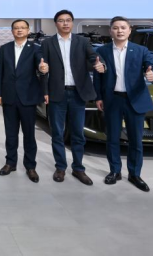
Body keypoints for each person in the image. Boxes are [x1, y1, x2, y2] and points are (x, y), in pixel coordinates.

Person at [94, 16, 153, 193]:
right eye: (116, 28)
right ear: (110, 31)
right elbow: (98, 77)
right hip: (112, 100)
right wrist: (98, 97)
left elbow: (152, 66)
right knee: (112, 138)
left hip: (135, 100)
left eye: (123, 27)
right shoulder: (102, 51)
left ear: (129, 30)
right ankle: (115, 171)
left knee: (136, 140)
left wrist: (152, 74)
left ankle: (134, 174)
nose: (120, 31)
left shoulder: (141, 50)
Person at [41, 10, 106, 186]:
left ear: (72, 22)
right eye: (61, 20)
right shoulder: (47, 43)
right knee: (57, 133)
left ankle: (78, 168)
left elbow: (94, 57)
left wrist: (100, 64)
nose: (65, 23)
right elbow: (42, 67)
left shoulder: (82, 41)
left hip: (78, 93)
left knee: (78, 133)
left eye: (68, 20)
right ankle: (60, 167)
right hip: (57, 93)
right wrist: (43, 79)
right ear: (56, 23)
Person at [0, 19, 46, 183]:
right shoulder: (5, 48)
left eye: (23, 28)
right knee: (10, 133)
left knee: (29, 134)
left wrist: (42, 68)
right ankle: (10, 163)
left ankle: (30, 166)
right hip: (9, 96)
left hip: (28, 97)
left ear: (28, 30)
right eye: (16, 28)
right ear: (12, 31)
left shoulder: (36, 48)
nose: (19, 30)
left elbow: (41, 64)